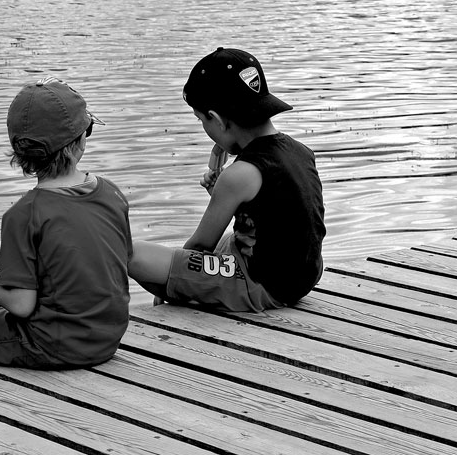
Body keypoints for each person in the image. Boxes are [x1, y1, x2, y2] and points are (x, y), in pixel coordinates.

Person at [0, 77, 132, 367]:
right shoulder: (111, 193)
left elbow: (21, 306)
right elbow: (123, 261)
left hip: (52, 346)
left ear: (19, 154)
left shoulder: (24, 214)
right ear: (80, 142)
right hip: (107, 340)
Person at [129, 48, 325, 311]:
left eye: (201, 119)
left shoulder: (239, 174)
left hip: (261, 285)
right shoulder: (301, 151)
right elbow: (285, 214)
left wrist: (175, 278)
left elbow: (199, 246)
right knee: (230, 241)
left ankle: (194, 293)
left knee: (132, 254)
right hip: (303, 276)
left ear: (217, 120)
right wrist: (223, 198)